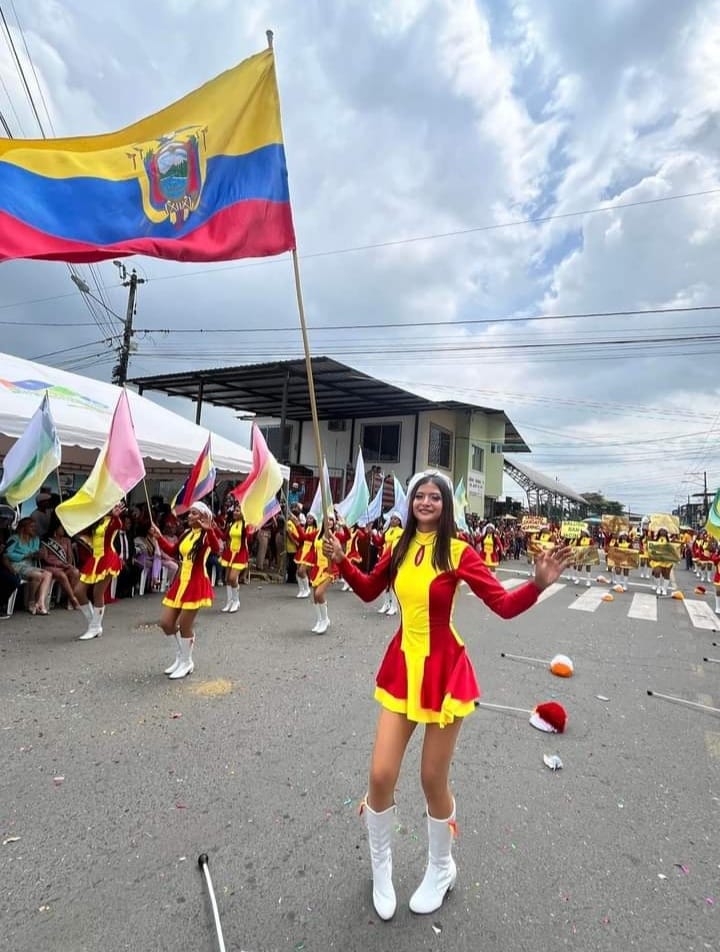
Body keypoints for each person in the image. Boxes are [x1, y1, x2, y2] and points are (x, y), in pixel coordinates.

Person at [322, 471, 572, 921]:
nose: (425, 501)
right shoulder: (398, 547)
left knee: (432, 779)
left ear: (445, 505)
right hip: (402, 668)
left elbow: (502, 605)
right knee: (380, 775)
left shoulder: (459, 552)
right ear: (411, 502)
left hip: (444, 673)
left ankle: (441, 869)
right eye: (419, 495)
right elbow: (369, 591)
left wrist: (537, 584)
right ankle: (382, 868)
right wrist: (342, 560)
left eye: (434, 496)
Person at [152, 501, 223, 679]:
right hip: (181, 582)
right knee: (166, 623)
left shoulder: (206, 536)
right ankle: (181, 655)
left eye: (194, 513)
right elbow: (172, 551)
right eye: (190, 513)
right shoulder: (186, 534)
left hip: (196, 583)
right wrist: (159, 537)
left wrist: (209, 530)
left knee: (184, 625)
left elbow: (217, 549)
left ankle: (187, 662)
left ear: (203, 517)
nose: (189, 516)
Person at [74, 505, 125, 639]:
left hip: (107, 558)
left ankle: (95, 627)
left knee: (98, 592)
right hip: (94, 559)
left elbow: (118, 525)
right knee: (78, 591)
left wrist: (116, 516)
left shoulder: (112, 520)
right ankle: (94, 623)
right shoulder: (97, 520)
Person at [2, 517, 53, 614]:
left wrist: (39, 554)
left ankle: (40, 603)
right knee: (39, 576)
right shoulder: (15, 538)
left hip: (30, 566)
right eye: (31, 526)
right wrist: (24, 555)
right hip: (17, 565)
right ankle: (32, 602)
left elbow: (35, 553)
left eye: (35, 526)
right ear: (23, 528)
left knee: (48, 574)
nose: (34, 529)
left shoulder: (35, 539)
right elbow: (7, 554)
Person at [39, 515, 81, 609]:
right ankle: (73, 599)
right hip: (50, 567)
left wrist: (68, 565)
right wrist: (59, 564)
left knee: (75, 572)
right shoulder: (46, 541)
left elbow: (69, 556)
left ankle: (69, 601)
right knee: (61, 575)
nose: (63, 530)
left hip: (63, 566)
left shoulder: (67, 540)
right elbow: (45, 558)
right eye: (61, 528)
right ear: (55, 529)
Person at [219, 502, 249, 613]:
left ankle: (236, 601)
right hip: (230, 553)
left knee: (232, 578)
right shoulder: (231, 524)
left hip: (240, 553)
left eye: (237, 511)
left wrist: (248, 526)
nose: (235, 513)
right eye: (235, 510)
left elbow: (249, 538)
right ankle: (229, 602)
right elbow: (224, 537)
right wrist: (214, 528)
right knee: (227, 579)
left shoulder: (245, 525)